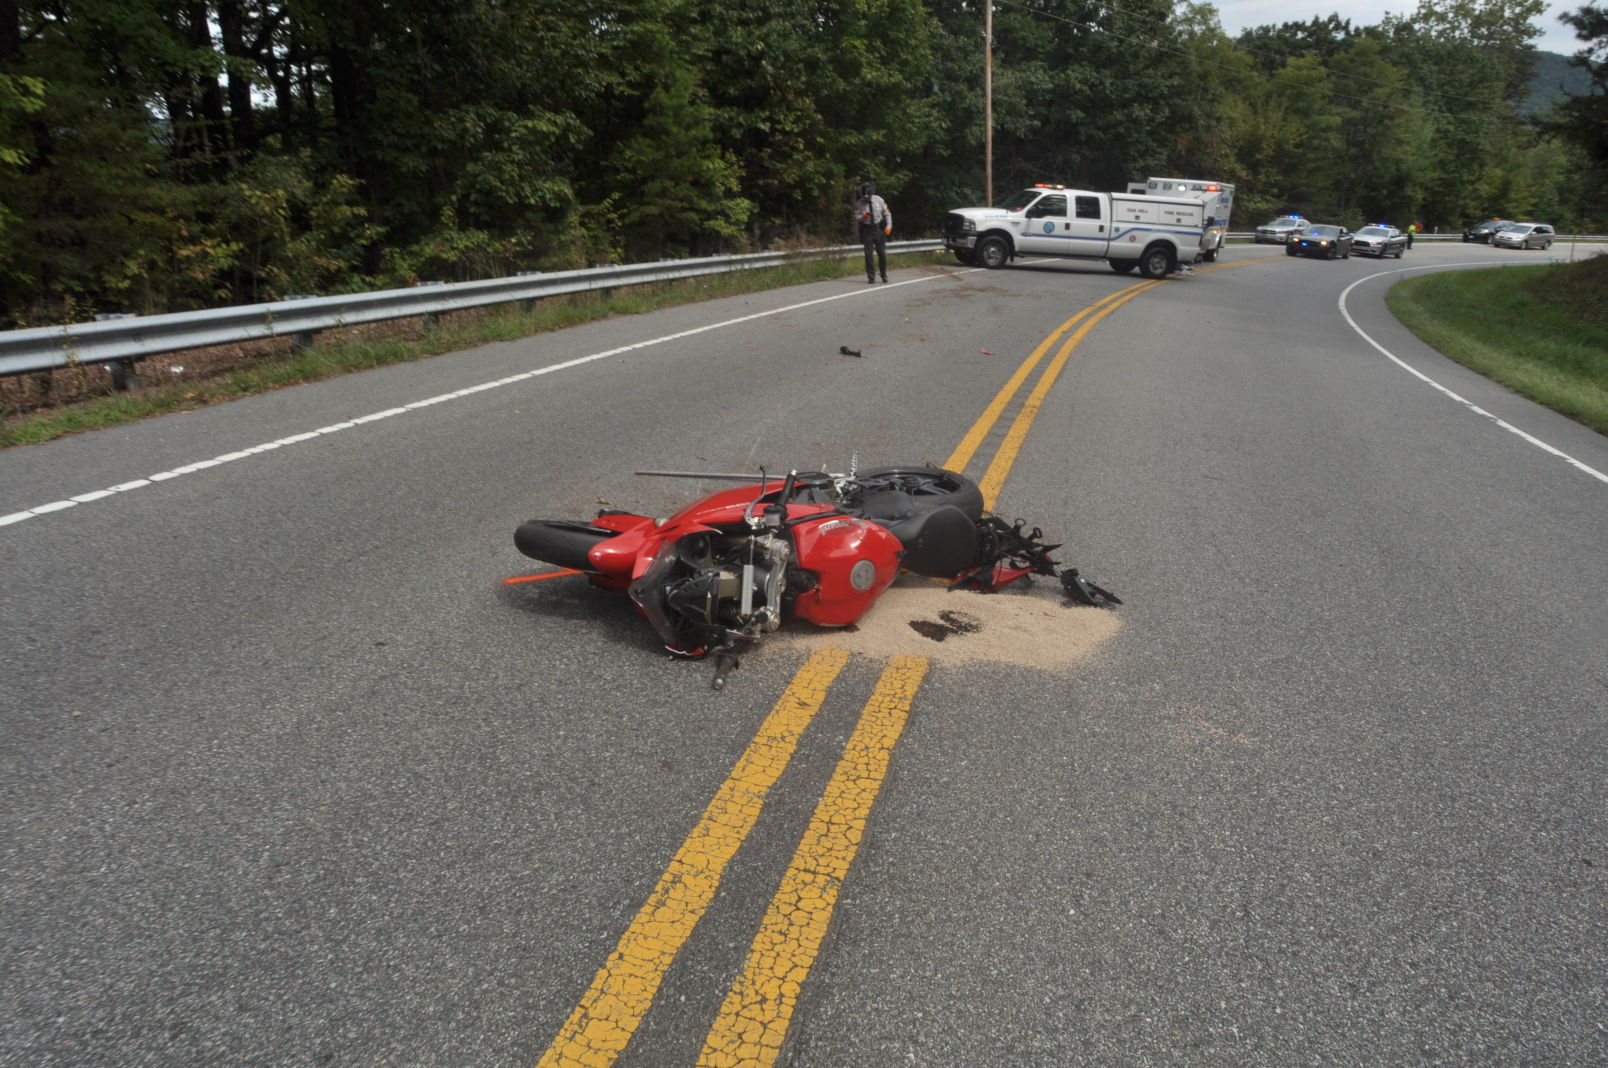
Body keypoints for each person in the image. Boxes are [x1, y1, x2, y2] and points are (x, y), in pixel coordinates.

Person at [853, 181, 893, 283]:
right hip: (867, 230)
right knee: (868, 254)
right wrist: (863, 216)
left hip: (878, 229)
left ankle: (883, 274)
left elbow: (887, 213)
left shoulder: (879, 200)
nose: (867, 197)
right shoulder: (860, 203)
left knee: (881, 254)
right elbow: (856, 217)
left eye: (868, 195)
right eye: (865, 196)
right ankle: (871, 277)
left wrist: (888, 226)